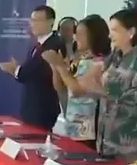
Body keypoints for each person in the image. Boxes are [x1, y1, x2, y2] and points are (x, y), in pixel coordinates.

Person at [79, 9, 137, 157]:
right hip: (105, 140)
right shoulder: (114, 56)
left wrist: (100, 90)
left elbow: (135, 97)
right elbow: (88, 80)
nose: (110, 35)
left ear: (131, 32)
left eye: (115, 30)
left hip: (131, 145)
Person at [42, 15, 110, 149]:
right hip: (72, 125)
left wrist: (60, 66)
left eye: (80, 34)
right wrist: (55, 66)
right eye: (76, 33)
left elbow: (76, 89)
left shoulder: (98, 63)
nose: (75, 37)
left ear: (94, 36)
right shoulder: (80, 60)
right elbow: (60, 87)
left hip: (87, 130)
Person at [0, 5, 64, 131]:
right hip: (30, 105)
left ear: (51, 22)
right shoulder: (36, 44)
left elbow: (38, 73)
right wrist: (17, 70)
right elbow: (27, 73)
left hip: (43, 107)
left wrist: (16, 69)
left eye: (37, 21)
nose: (33, 24)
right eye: (32, 20)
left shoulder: (54, 44)